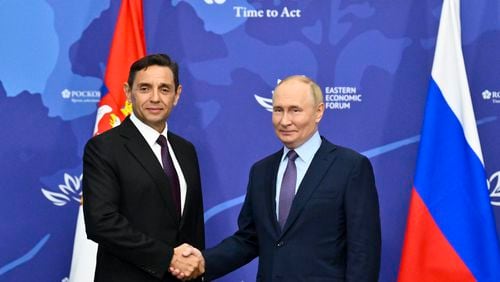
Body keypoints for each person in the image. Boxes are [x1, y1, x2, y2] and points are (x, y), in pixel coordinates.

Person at [173, 75, 381, 281]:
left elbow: (363, 251)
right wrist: (203, 261)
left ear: (318, 112)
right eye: (278, 110)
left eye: (295, 110)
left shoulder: (350, 167)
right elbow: (249, 239)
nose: (284, 121)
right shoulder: (261, 171)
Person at [83, 54, 205, 282]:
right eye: (145, 88)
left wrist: (193, 268)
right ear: (129, 92)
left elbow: (192, 226)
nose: (155, 98)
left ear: (177, 95)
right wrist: (168, 257)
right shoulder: (104, 147)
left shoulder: (185, 150)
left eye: (165, 89)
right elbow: (101, 223)